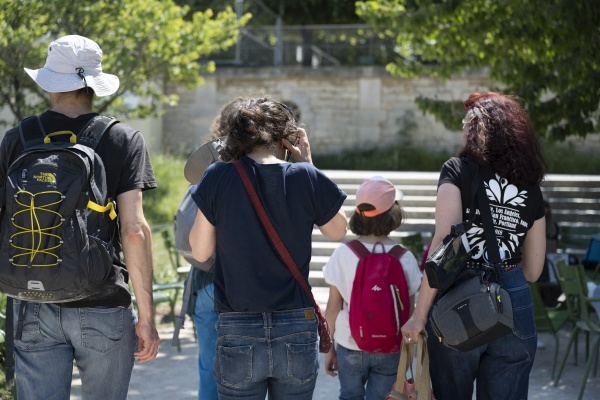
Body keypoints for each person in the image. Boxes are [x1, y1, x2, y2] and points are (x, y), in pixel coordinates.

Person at [0, 35, 160, 399]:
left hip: (31, 299)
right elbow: (134, 230)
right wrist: (147, 319)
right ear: (93, 84)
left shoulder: (18, 137)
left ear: (50, 83)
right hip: (103, 302)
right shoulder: (123, 138)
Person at [189, 97, 348, 400]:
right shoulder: (304, 176)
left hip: (238, 324)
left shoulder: (218, 176)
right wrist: (307, 164)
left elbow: (200, 252)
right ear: (285, 137)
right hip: (295, 323)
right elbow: (338, 230)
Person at [401, 92, 547, 400]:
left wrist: (420, 314)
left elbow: (445, 242)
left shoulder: (458, 170)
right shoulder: (531, 187)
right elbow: (533, 271)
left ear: (475, 129)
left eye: (467, 122)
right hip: (514, 302)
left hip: (460, 299)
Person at [322, 176, 422, 400]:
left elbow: (332, 308)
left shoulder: (343, 254)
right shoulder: (404, 257)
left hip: (350, 343)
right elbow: (409, 312)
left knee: (349, 396)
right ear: (393, 214)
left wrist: (328, 347)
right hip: (390, 348)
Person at [181, 97, 246, 400]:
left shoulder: (205, 170)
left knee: (209, 367)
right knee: (248, 372)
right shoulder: (254, 172)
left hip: (202, 284)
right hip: (240, 288)